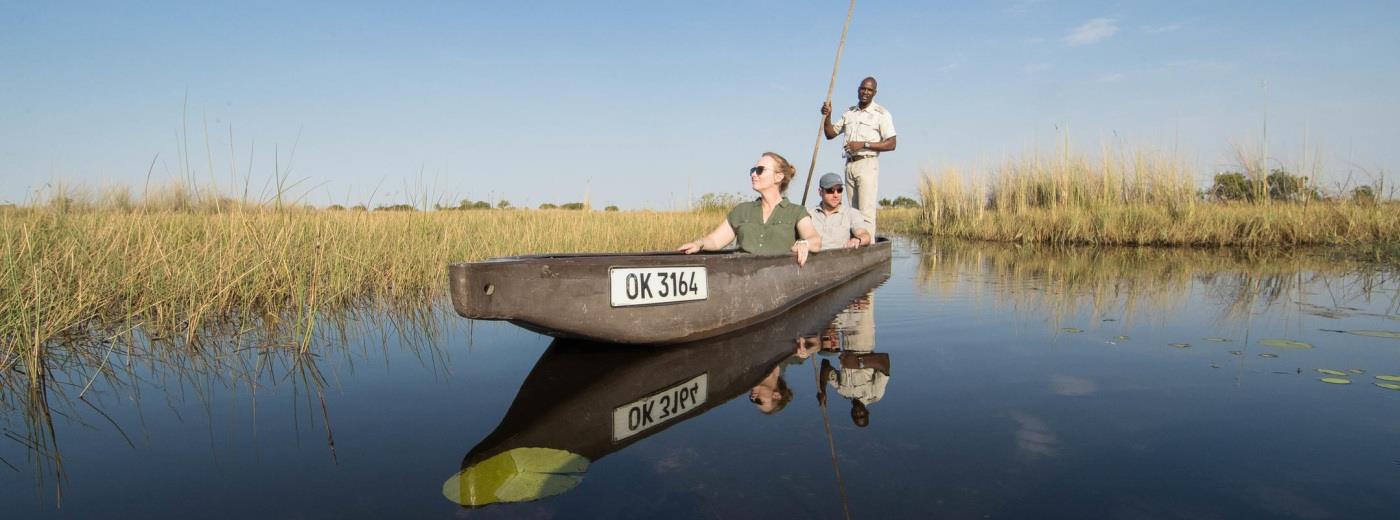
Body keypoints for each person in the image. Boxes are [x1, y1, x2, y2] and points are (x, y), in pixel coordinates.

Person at [678, 152, 821, 265]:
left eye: (760, 170)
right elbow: (716, 240)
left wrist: (805, 243)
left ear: (778, 177)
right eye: (753, 170)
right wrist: (699, 244)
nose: (753, 174)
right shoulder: (742, 210)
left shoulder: (796, 211)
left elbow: (815, 240)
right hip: (741, 278)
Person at [821, 76, 897, 235]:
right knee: (853, 213)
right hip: (850, 165)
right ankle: (856, 245)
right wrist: (827, 115)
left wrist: (863, 144)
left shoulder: (881, 114)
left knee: (866, 213)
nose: (865, 92)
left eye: (869, 90)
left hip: (867, 164)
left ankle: (867, 250)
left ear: (874, 93)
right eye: (863, 89)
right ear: (858, 90)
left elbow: (892, 143)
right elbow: (830, 134)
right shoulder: (850, 113)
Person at [809, 172, 872, 251]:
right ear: (820, 192)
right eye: (830, 190)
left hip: (841, 259)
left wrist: (857, 240)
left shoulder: (851, 213)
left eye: (839, 190)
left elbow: (865, 235)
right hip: (814, 260)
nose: (836, 195)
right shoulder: (809, 214)